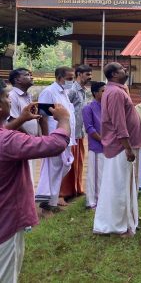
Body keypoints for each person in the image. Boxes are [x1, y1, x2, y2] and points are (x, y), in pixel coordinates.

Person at [0, 79, 70, 283]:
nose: (9, 101)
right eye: (5, 97)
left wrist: (20, 119)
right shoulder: (7, 141)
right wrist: (64, 120)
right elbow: (54, 144)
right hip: (6, 222)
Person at [93, 63, 141, 237]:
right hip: (120, 147)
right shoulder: (115, 93)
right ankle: (116, 225)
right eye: (123, 69)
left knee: (122, 184)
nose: (126, 71)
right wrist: (127, 148)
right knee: (119, 186)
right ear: (114, 74)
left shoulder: (118, 90)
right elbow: (119, 123)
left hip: (120, 146)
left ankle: (124, 220)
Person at [35, 67, 76, 212]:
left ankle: (51, 201)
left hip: (65, 138)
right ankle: (47, 205)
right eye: (70, 78)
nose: (72, 81)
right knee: (53, 170)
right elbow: (43, 117)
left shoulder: (65, 92)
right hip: (54, 137)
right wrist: (46, 139)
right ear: (59, 78)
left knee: (64, 167)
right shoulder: (49, 92)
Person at [60, 64, 92, 201]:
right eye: (87, 74)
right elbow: (65, 109)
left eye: (90, 74)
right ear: (79, 74)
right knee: (70, 162)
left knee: (79, 161)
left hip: (80, 132)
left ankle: (77, 189)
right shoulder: (72, 90)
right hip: (71, 132)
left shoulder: (84, 90)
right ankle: (65, 192)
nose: (90, 77)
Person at [7, 68, 40, 185]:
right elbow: (13, 120)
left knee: (30, 176)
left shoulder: (28, 96)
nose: (31, 77)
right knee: (24, 178)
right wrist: (28, 137)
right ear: (17, 80)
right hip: (21, 142)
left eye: (31, 74)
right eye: (27, 75)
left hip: (29, 142)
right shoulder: (12, 96)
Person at [82, 81, 106, 209]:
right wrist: (103, 140)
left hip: (109, 147)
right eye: (103, 91)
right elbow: (90, 129)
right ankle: (93, 202)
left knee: (105, 175)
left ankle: (103, 199)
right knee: (96, 175)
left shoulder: (107, 107)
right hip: (97, 147)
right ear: (95, 93)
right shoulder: (88, 108)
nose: (106, 93)